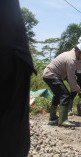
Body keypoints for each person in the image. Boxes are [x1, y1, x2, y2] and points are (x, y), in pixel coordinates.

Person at [0, 0, 36, 156]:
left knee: (11, 140)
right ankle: (59, 117)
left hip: (10, 53)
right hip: (11, 54)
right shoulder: (69, 58)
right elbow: (69, 75)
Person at [43, 42, 81, 127]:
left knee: (58, 95)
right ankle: (63, 120)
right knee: (65, 95)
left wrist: (74, 81)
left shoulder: (71, 56)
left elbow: (70, 75)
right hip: (51, 75)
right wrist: (79, 91)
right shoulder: (71, 59)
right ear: (78, 52)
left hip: (50, 74)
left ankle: (53, 116)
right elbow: (71, 80)